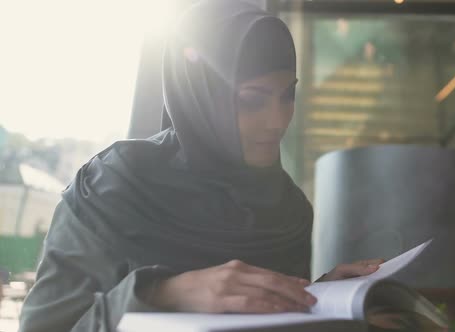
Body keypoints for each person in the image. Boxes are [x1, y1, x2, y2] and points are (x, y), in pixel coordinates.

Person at [18, 1, 383, 331]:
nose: (277, 120)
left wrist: (321, 300)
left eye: (287, 95)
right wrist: (163, 294)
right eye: (252, 100)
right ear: (201, 95)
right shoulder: (113, 186)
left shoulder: (286, 208)